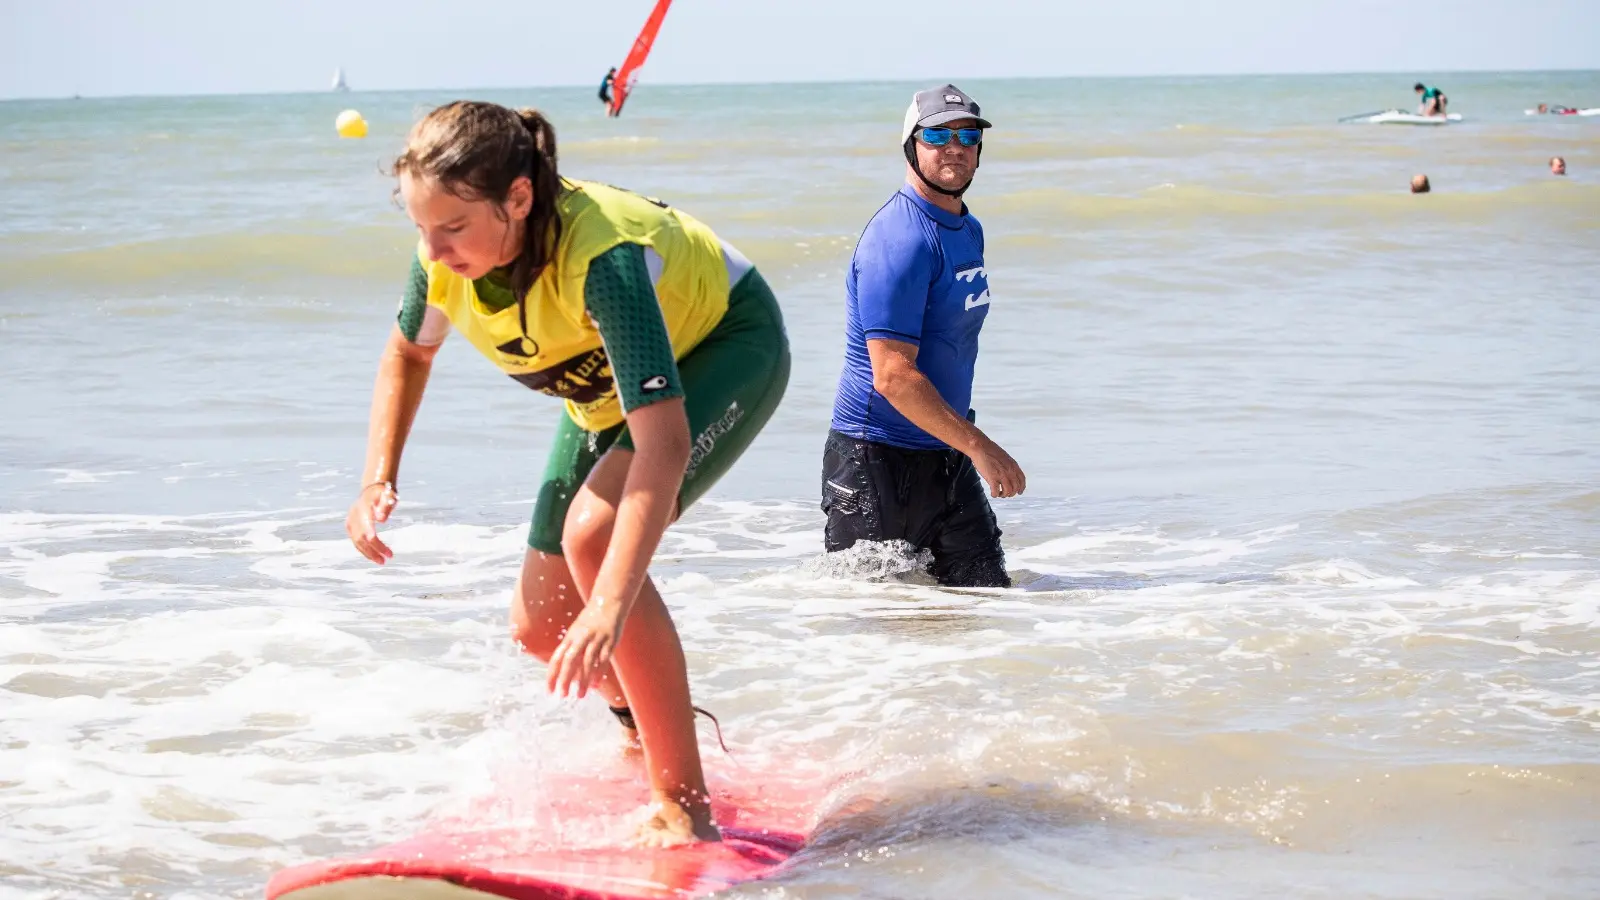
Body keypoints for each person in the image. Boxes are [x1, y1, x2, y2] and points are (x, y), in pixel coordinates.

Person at [346, 100, 790, 845]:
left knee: (596, 541)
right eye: (421, 227)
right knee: (540, 625)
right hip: (607, 393)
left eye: (453, 227)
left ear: (518, 198)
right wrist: (375, 477)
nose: (434, 248)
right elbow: (408, 353)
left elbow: (665, 443)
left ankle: (686, 804)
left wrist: (613, 604)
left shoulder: (603, 264)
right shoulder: (441, 263)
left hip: (723, 347)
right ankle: (645, 734)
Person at [821, 84, 1024, 589]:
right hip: (875, 465)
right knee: (879, 636)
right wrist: (981, 447)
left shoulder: (966, 228)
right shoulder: (900, 238)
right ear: (911, 144)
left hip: (945, 456)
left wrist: (964, 446)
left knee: (987, 610)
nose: (954, 146)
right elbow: (892, 376)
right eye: (936, 134)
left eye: (967, 135)